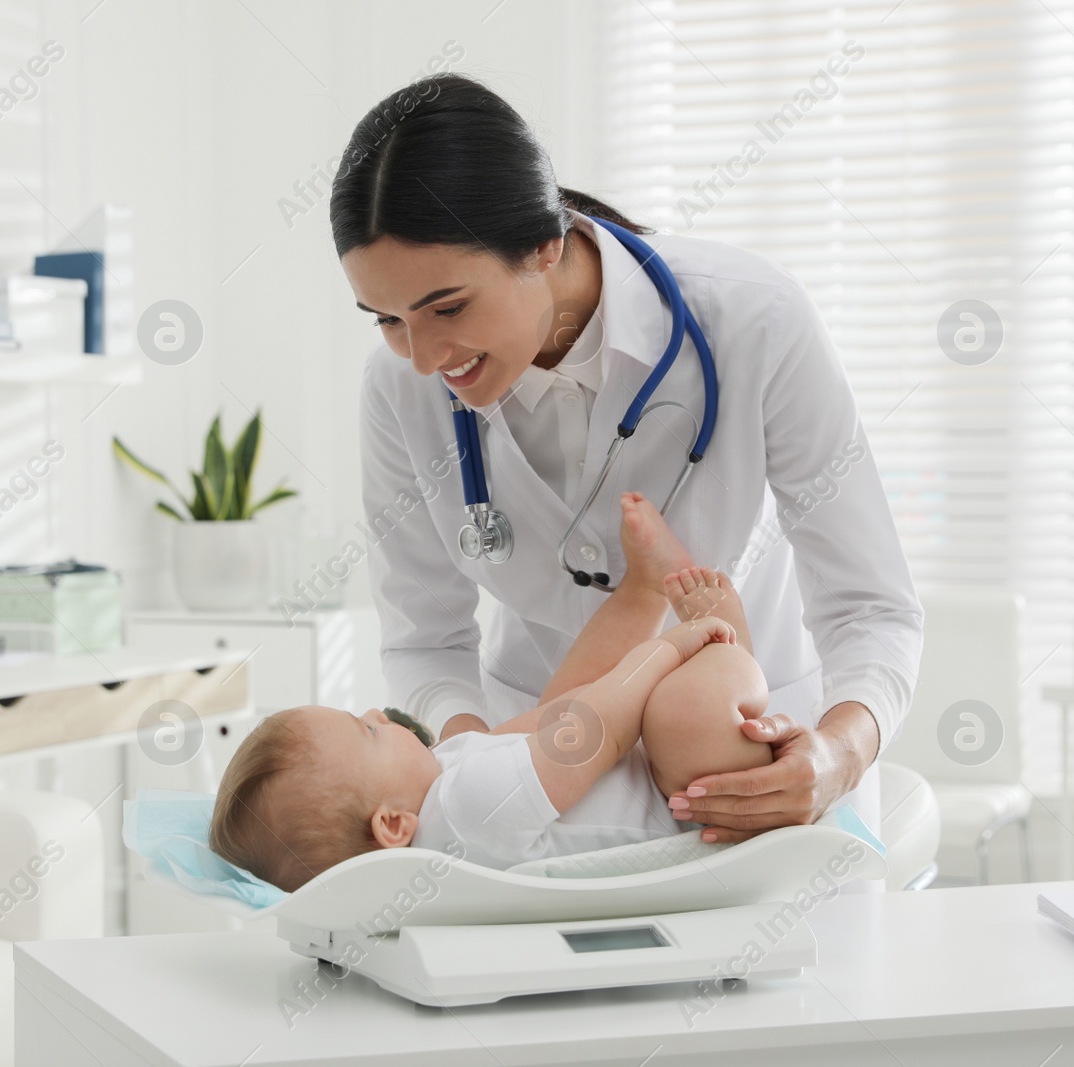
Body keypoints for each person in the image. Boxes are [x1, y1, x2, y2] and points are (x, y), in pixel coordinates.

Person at [338, 73, 923, 843]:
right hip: (546, 786)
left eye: (448, 308)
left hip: (763, 761)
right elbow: (426, 638)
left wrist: (838, 754)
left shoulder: (756, 320)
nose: (421, 358)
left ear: (546, 247)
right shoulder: (400, 388)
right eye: (386, 318)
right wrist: (484, 764)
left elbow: (872, 608)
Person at [210, 493, 769, 890]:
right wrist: (669, 649)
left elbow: (558, 719)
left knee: (558, 706)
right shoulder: (465, 812)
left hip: (629, 765)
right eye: (369, 731)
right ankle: (729, 644)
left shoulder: (440, 788)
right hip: (688, 796)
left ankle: (642, 591)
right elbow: (598, 729)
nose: (380, 712)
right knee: (672, 711)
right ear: (391, 824)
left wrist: (568, 708)